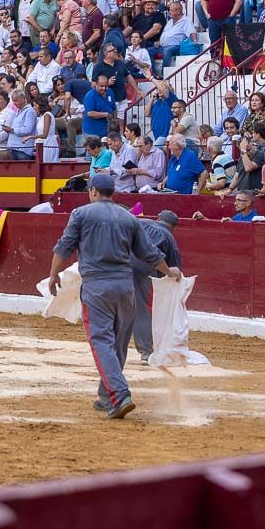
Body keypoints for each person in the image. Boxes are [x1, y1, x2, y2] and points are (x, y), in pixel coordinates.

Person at [48, 174, 181, 420]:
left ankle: (119, 395)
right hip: (125, 287)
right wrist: (169, 271)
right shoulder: (129, 218)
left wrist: (53, 274)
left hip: (97, 287)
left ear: (94, 191)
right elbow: (150, 254)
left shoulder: (81, 214)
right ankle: (105, 395)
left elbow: (64, 246)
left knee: (101, 341)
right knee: (119, 343)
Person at [132, 211, 183, 365]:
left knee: (114, 306)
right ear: (173, 228)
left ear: (158, 218)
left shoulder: (141, 222)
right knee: (141, 309)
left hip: (115, 262)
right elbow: (174, 272)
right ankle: (146, 352)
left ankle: (108, 346)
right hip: (142, 270)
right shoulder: (169, 238)